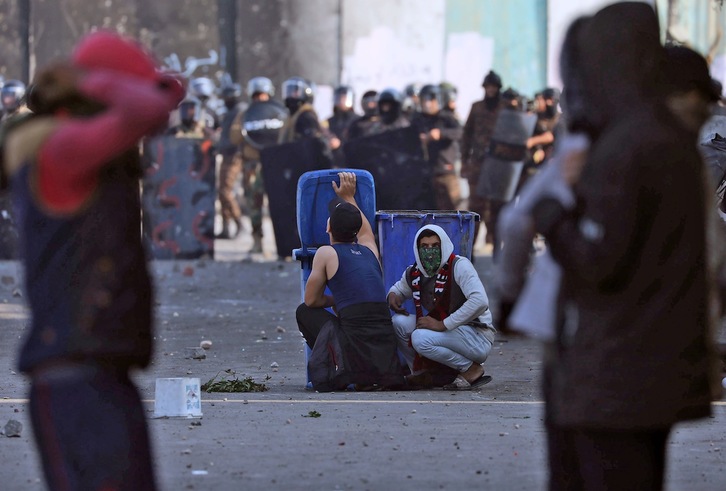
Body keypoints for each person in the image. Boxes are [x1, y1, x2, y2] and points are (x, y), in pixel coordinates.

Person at [529, 5, 719, 489]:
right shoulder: (664, 141)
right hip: (647, 369)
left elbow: (598, 262)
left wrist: (552, 215)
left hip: (616, 372)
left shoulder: (628, 145)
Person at [1, 31, 184, 490]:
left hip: (103, 367)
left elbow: (169, 91)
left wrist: (100, 79)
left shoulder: (86, 148)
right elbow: (150, 107)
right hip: (73, 376)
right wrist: (93, 80)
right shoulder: (60, 148)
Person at [296, 171, 405, 391]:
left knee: (303, 311)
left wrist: (334, 299)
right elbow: (365, 231)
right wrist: (349, 197)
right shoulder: (370, 251)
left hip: (354, 351)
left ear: (328, 228)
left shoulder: (326, 253)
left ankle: (336, 367)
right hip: (384, 351)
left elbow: (311, 300)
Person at [387, 224, 495, 390]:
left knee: (420, 338)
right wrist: (393, 296)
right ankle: (421, 372)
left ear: (443, 246)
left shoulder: (459, 266)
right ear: (417, 249)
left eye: (435, 246)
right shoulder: (415, 273)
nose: (430, 251)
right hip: (449, 333)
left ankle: (470, 368)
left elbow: (480, 301)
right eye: (424, 247)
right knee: (399, 322)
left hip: (476, 335)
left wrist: (443, 324)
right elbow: (399, 289)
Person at [229, 76, 280, 253]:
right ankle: (257, 241)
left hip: (274, 162)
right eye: (257, 95)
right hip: (252, 164)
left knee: (279, 204)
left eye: (263, 95)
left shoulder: (277, 112)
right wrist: (245, 128)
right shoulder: (245, 114)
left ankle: (283, 244)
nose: (260, 98)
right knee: (254, 204)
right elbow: (234, 137)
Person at [461, 70, 504, 248]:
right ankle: (470, 246)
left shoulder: (505, 108)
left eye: (494, 87)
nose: (491, 90)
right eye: (488, 87)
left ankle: (495, 243)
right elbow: (466, 135)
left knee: (496, 206)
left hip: (499, 165)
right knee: (475, 206)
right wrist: (464, 161)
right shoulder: (477, 107)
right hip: (477, 165)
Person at [411, 84, 463, 210]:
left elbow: (460, 133)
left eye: (432, 100)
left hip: (445, 172)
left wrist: (441, 134)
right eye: (425, 100)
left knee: (453, 210)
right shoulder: (417, 119)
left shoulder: (447, 118)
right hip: (423, 174)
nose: (428, 104)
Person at [216, 82, 245, 239]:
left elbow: (237, 136)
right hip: (226, 155)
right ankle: (226, 227)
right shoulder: (230, 112)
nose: (225, 100)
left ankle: (239, 222)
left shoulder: (239, 111)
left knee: (226, 191)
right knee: (221, 191)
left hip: (234, 156)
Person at [325, 85, 357, 166]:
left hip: (352, 163)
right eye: (339, 98)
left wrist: (340, 144)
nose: (342, 102)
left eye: (345, 98)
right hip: (332, 163)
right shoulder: (329, 121)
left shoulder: (357, 121)